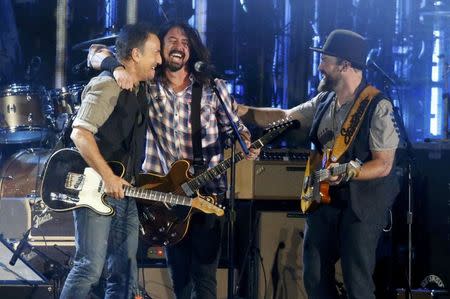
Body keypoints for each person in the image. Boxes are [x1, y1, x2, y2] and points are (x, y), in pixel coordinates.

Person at [88, 22, 258, 299]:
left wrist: (247, 142)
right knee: (180, 281)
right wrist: (116, 67)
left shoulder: (213, 87)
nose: (178, 46)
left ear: (192, 50)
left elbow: (235, 129)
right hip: (168, 198)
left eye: (185, 42)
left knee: (205, 280)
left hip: (208, 195)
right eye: (171, 40)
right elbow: (93, 52)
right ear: (159, 49)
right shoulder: (148, 85)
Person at [239, 29, 401, 299]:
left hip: (361, 206)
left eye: (326, 60)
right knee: (313, 276)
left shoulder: (377, 106)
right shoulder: (324, 101)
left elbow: (383, 165)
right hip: (323, 200)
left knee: (357, 282)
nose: (320, 67)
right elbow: (285, 116)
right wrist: (241, 111)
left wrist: (349, 172)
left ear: (345, 65)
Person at [60, 23, 162, 299]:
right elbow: (80, 134)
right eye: (156, 52)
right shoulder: (107, 83)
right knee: (89, 269)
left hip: (124, 192)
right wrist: (107, 176)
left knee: (124, 274)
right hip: (97, 188)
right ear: (136, 55)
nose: (160, 59)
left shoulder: (141, 90)